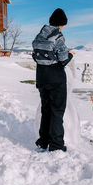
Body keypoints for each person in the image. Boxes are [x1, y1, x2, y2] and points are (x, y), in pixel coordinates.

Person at [32, 8, 74, 152]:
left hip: (41, 77)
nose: (63, 28)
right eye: (63, 25)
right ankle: (56, 145)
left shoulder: (40, 35)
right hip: (56, 79)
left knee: (46, 110)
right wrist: (70, 55)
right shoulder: (58, 36)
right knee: (57, 111)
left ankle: (43, 141)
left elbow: (35, 56)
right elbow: (62, 60)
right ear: (60, 24)